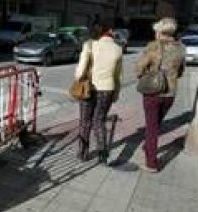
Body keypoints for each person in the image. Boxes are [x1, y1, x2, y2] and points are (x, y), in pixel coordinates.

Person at [135, 17, 185, 172]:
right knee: (155, 124)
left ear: (160, 31)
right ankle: (148, 146)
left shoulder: (153, 47)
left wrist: (144, 74)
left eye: (156, 30)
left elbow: (139, 68)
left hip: (153, 93)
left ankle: (151, 163)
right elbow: (181, 71)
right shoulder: (181, 48)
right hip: (170, 94)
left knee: (151, 128)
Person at [74, 23, 123, 164]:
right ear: (109, 31)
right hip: (107, 89)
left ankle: (83, 153)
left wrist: (77, 75)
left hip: (89, 88)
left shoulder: (89, 45)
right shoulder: (118, 49)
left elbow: (80, 72)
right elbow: (118, 76)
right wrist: (116, 93)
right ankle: (103, 154)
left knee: (85, 121)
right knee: (99, 121)